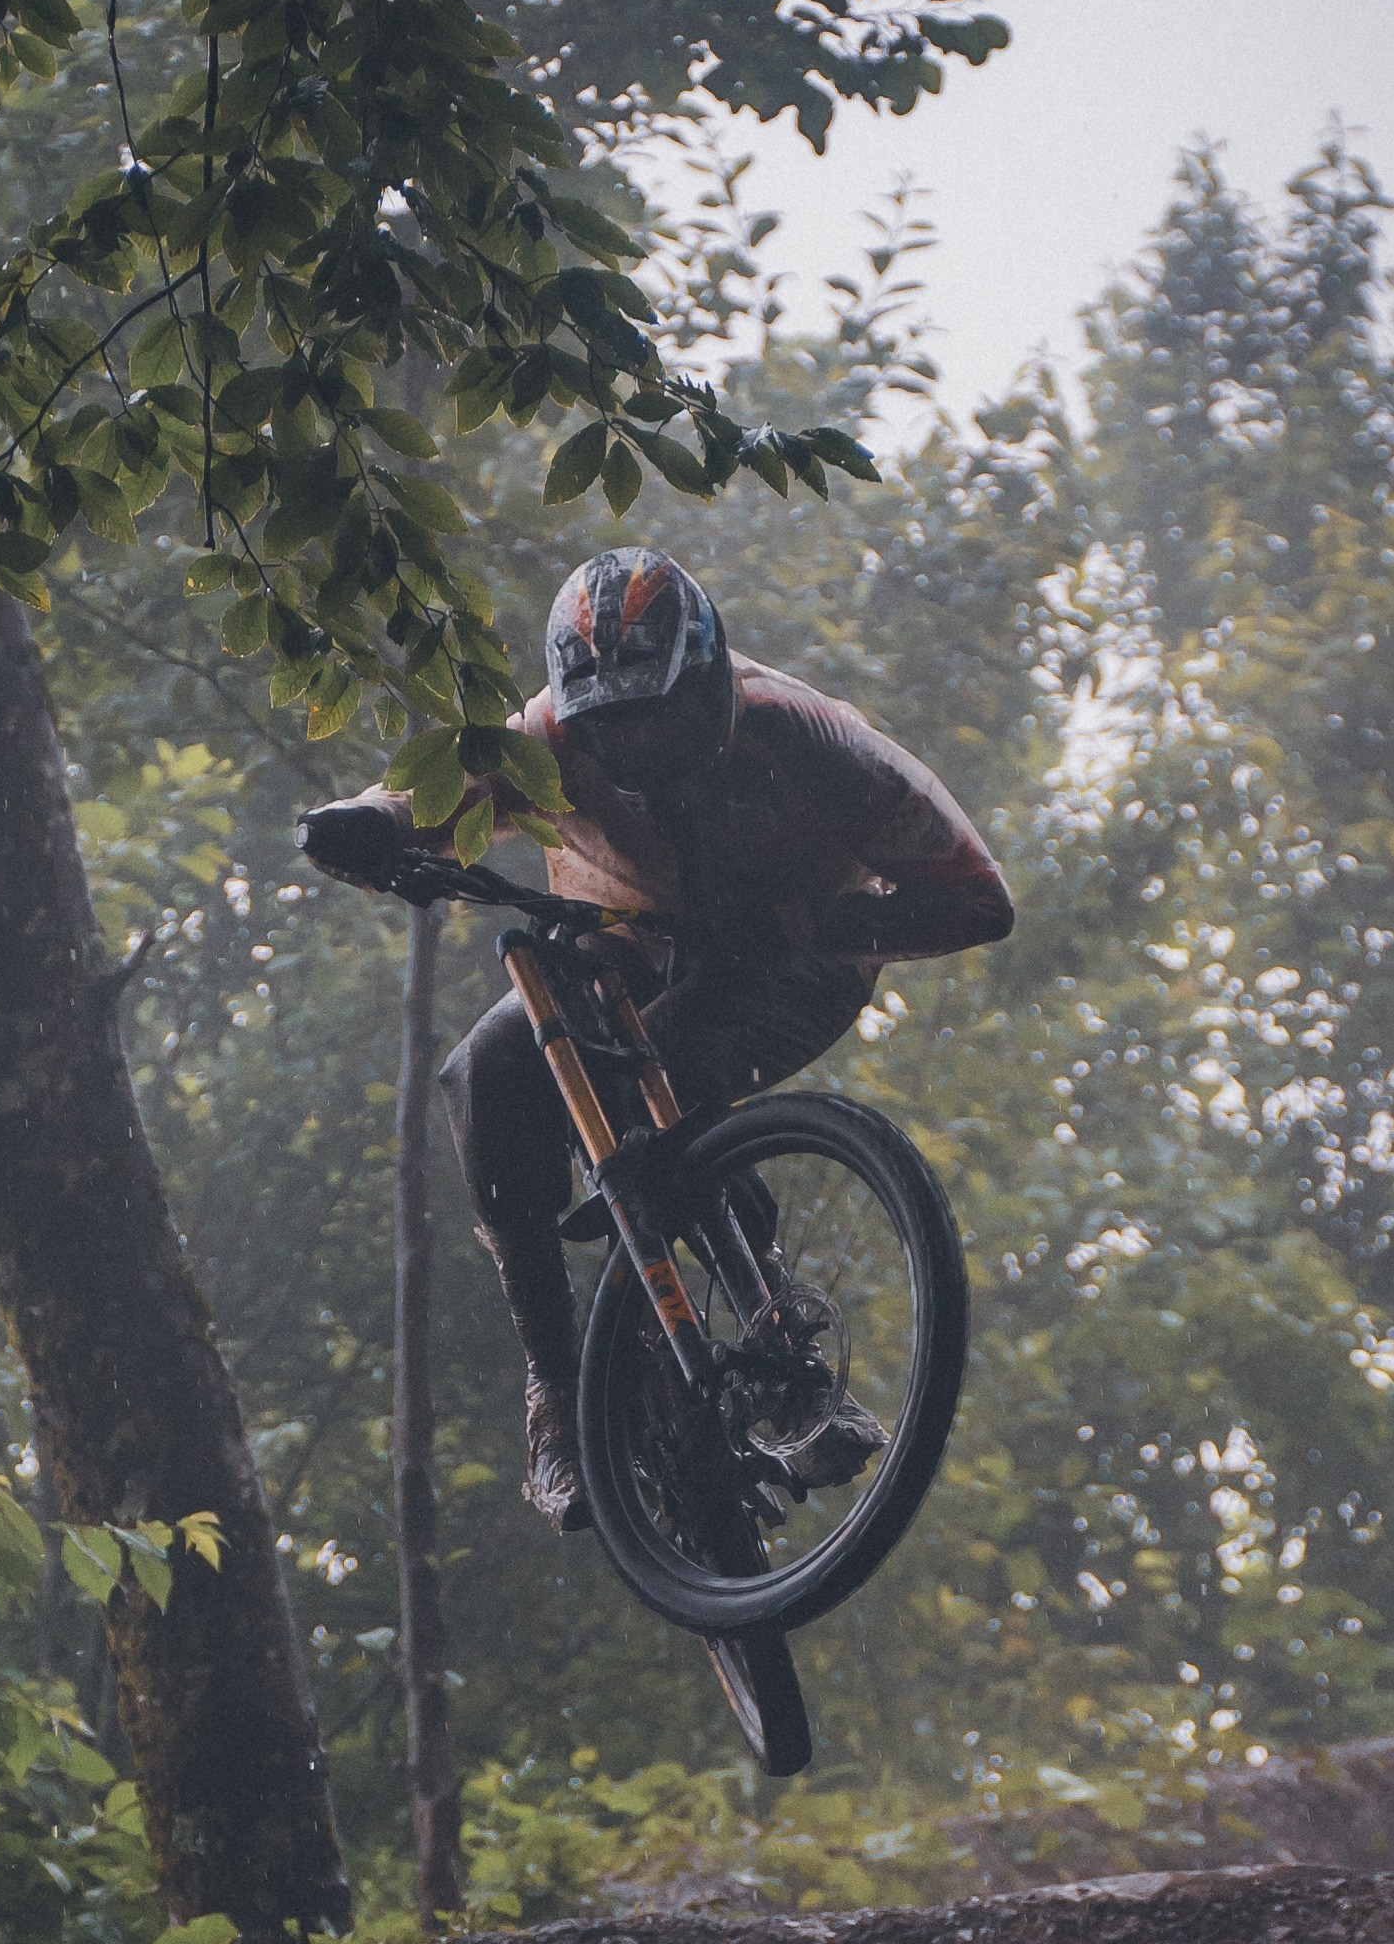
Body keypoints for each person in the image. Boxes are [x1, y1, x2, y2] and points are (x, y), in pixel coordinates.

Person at [299, 548, 1015, 1532]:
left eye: (662, 717)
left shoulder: (805, 736)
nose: (638, 749)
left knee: (659, 1085)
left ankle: (785, 1367)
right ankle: (557, 1394)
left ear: (713, 682)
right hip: (627, 950)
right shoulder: (543, 739)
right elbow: (434, 796)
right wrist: (367, 824)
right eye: (611, 729)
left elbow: (979, 899)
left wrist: (827, 925)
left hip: (789, 962)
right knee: (488, 1072)